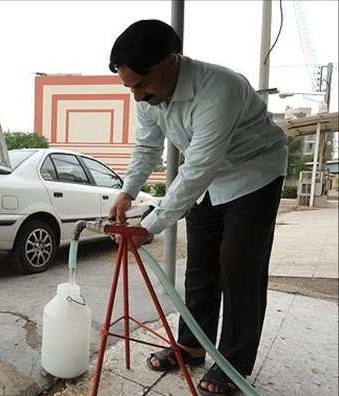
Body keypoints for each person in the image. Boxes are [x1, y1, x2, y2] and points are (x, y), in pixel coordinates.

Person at [107, 20, 288, 395]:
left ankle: (233, 365)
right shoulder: (150, 98)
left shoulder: (219, 88)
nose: (137, 96)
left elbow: (198, 167)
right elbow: (147, 147)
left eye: (141, 84)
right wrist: (128, 191)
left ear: (170, 62)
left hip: (253, 174)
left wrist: (150, 225)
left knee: (240, 269)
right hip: (209, 182)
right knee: (201, 267)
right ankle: (190, 346)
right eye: (130, 87)